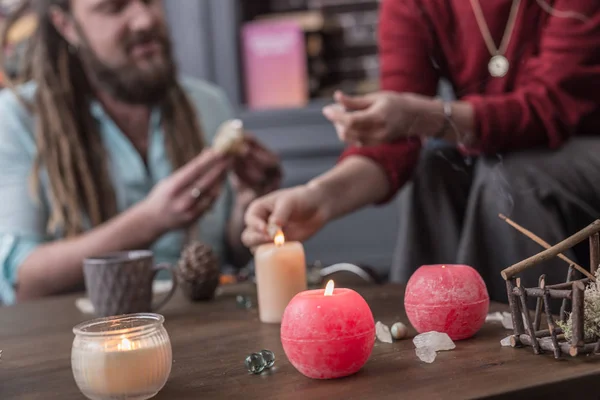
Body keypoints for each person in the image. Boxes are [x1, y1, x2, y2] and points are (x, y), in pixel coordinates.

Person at [242, 0, 600, 302]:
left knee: (511, 175)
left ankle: (536, 348)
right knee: (435, 167)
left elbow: (550, 108)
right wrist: (317, 197)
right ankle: (434, 332)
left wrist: (427, 116)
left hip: (584, 146)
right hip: (504, 154)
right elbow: (395, 140)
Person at [0, 0, 281, 304]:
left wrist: (249, 203)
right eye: (114, 7)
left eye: (150, 0)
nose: (144, 19)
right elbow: (22, 281)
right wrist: (150, 221)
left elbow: (231, 253)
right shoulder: (20, 119)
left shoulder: (208, 104)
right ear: (67, 26)